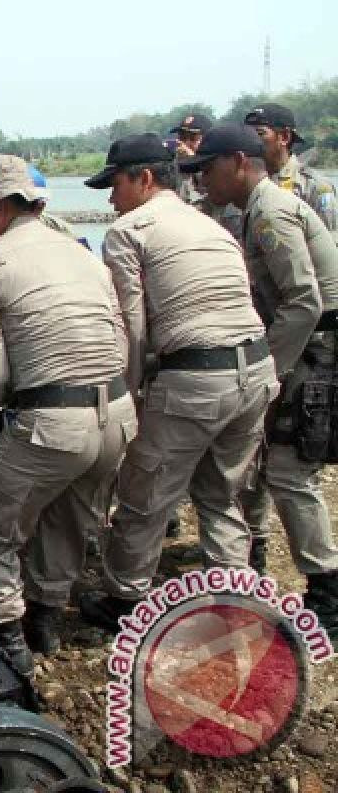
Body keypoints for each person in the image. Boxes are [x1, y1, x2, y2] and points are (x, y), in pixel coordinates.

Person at [0, 155, 136, 673]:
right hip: (116, 412)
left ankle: (6, 640)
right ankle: (45, 618)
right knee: (69, 513)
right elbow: (121, 338)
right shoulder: (84, 256)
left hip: (53, 422)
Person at [77, 134, 275, 630]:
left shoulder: (129, 231)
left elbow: (131, 325)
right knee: (220, 491)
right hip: (256, 370)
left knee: (147, 492)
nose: (110, 198)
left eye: (114, 184)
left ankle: (125, 600)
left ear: (144, 179)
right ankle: (231, 596)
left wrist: (127, 397)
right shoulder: (209, 225)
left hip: (196, 377)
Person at [183, 124, 338, 637]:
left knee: (293, 472)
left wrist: (270, 369)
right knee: (274, 464)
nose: (202, 179)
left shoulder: (270, 211)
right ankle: (264, 561)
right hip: (306, 344)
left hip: (315, 348)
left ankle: (328, 591)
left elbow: (304, 302)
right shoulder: (254, 208)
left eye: (209, 168)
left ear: (239, 162)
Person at [244, 103, 337, 237]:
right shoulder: (241, 183)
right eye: (248, 135)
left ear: (285, 137)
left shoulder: (314, 187)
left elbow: (329, 246)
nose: (251, 142)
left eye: (259, 134)